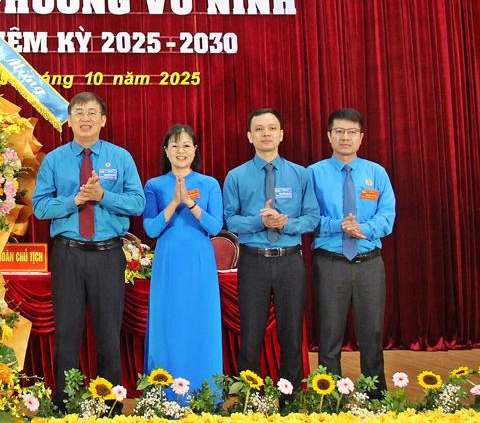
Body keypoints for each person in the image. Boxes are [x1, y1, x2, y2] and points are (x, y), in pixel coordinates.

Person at [32, 92, 145, 408]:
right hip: (67, 254)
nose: (85, 118)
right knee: (67, 332)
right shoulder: (54, 160)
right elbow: (40, 207)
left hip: (108, 254)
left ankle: (109, 404)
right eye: (79, 112)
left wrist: (102, 196)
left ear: (103, 120)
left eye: (92, 112)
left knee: (108, 331)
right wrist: (76, 200)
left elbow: (138, 203)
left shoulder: (120, 158)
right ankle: (65, 402)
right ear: (69, 120)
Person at [223, 108, 318, 393]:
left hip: (290, 261)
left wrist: (286, 223)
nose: (266, 134)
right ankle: (249, 401)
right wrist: (259, 221)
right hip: (254, 262)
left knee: (291, 334)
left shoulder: (300, 174)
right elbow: (230, 220)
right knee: (251, 334)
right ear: (249, 136)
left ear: (281, 134)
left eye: (272, 128)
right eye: (259, 129)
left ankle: (290, 401)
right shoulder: (236, 176)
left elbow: (312, 217)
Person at [309, 108, 395, 399]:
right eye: (339, 131)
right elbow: (308, 217)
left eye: (352, 132)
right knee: (329, 334)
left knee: (372, 334)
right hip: (330, 263)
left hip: (369, 264)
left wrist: (364, 229)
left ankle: (375, 398)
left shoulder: (376, 173)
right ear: (329, 136)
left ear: (361, 137)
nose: (345, 137)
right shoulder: (313, 174)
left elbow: (388, 215)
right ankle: (329, 398)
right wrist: (339, 226)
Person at [142, 124, 223, 397]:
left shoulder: (209, 184)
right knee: (168, 325)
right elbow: (151, 229)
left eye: (186, 145)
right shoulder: (154, 185)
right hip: (168, 264)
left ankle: (205, 394)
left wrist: (190, 203)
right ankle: (164, 396)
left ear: (195, 150)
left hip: (199, 264)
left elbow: (215, 226)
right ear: (166, 151)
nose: (181, 150)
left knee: (200, 324)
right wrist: (174, 202)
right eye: (174, 145)